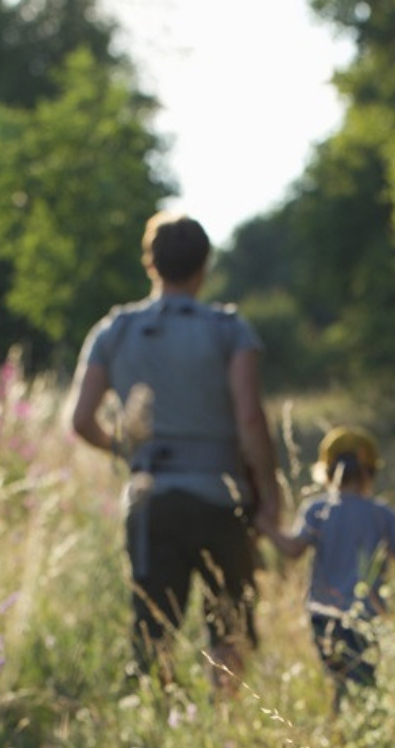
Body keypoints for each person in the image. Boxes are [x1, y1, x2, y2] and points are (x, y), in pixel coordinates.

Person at [67, 211, 283, 695]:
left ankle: (161, 722)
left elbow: (81, 421)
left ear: (151, 264)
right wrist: (268, 492)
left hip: (151, 500)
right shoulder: (229, 330)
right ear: (204, 266)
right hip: (221, 499)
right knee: (228, 625)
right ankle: (224, 727)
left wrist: (126, 449)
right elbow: (250, 418)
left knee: (153, 631)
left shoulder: (116, 330)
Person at [260, 426, 395, 710]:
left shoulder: (316, 509)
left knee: (340, 682)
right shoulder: (382, 514)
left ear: (328, 472)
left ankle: (343, 734)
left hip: (322, 615)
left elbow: (292, 549)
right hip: (366, 617)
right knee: (365, 685)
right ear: (370, 472)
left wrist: (264, 526)